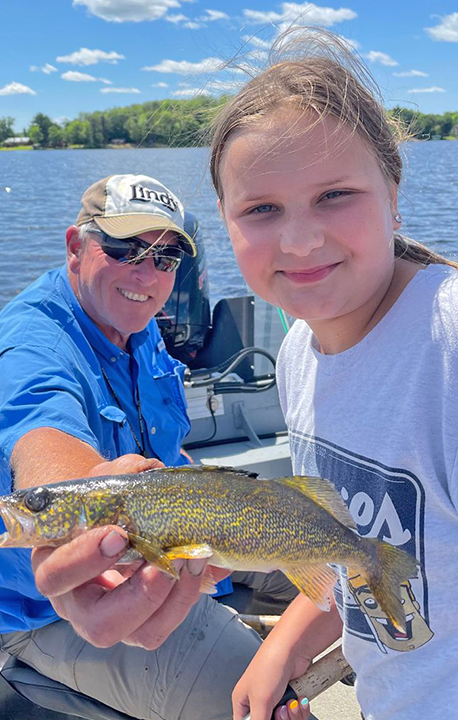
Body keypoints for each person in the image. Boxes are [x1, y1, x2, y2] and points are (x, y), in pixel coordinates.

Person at [0, 173, 293, 720]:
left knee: (341, 585)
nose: (147, 274)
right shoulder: (29, 347)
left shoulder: (136, 321)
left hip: (171, 543)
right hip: (53, 616)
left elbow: (168, 452)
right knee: (266, 704)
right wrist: (73, 524)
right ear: (76, 245)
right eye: (124, 248)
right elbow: (43, 440)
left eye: (164, 259)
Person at [209, 26, 458, 720]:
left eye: (335, 195)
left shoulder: (446, 346)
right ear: (227, 223)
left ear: (393, 189)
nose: (300, 239)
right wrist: (284, 647)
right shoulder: (299, 352)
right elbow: (344, 538)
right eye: (261, 209)